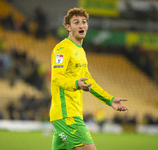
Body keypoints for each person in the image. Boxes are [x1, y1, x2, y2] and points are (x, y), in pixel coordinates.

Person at [50, 8, 128, 150]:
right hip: (67, 115)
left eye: (84, 22)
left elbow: (88, 81)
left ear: (87, 26)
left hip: (70, 114)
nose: (81, 25)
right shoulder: (62, 48)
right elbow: (56, 78)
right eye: (76, 22)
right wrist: (75, 83)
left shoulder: (81, 51)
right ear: (68, 27)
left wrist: (109, 99)